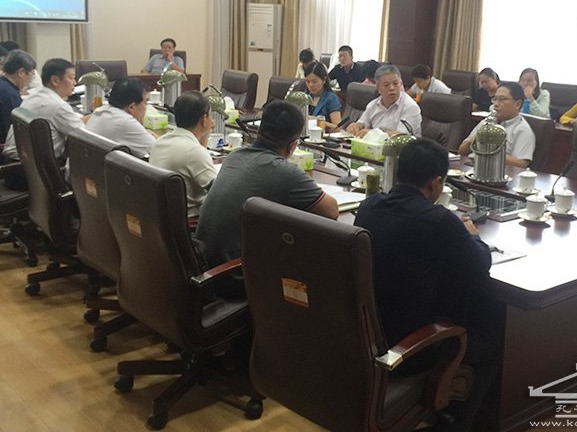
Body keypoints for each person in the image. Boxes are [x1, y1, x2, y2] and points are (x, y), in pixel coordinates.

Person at [353, 137, 500, 431]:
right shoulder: (440, 221)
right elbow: (479, 265)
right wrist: (472, 235)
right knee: (494, 338)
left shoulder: (369, 207)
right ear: (435, 183)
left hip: (365, 339)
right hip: (410, 350)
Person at [195, 100, 339, 298]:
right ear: (292, 145)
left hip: (205, 268)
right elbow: (331, 211)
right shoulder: (283, 170)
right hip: (233, 277)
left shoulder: (235, 156)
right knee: (312, 256)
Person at [2, 59, 86, 189]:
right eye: (71, 78)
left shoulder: (34, 97)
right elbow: (84, 137)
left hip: (13, 167)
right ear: (55, 80)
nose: (74, 83)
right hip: (34, 174)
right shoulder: (58, 106)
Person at [149, 91, 217, 214]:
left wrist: (205, 136)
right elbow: (219, 191)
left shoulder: (161, 142)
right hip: (190, 218)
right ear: (203, 119)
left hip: (162, 215)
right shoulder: (194, 152)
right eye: (210, 116)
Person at [458, 81, 535, 168]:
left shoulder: (522, 130)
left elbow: (521, 164)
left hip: (497, 172)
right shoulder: (486, 122)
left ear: (517, 104)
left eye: (502, 99)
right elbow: (461, 151)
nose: (496, 104)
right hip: (470, 168)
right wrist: (477, 138)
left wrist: (488, 151)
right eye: (495, 99)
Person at [86, 77, 156, 158]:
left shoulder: (100, 111)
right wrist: (154, 136)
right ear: (132, 107)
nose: (146, 107)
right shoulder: (125, 122)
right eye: (145, 102)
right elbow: (157, 149)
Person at [346, 64, 422, 137]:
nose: (392, 88)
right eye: (386, 85)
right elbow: (362, 123)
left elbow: (401, 136)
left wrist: (372, 133)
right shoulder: (372, 105)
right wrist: (356, 126)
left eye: (395, 83)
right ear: (378, 88)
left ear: (401, 84)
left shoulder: (411, 107)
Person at [0, 49, 37, 144]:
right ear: (21, 73)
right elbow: (19, 130)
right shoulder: (7, 94)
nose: (32, 78)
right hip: (1, 146)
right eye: (32, 73)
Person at [303, 61, 342, 130]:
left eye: (314, 82)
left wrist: (318, 121)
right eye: (307, 81)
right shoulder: (306, 96)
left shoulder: (331, 98)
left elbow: (338, 128)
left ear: (324, 80)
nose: (310, 85)